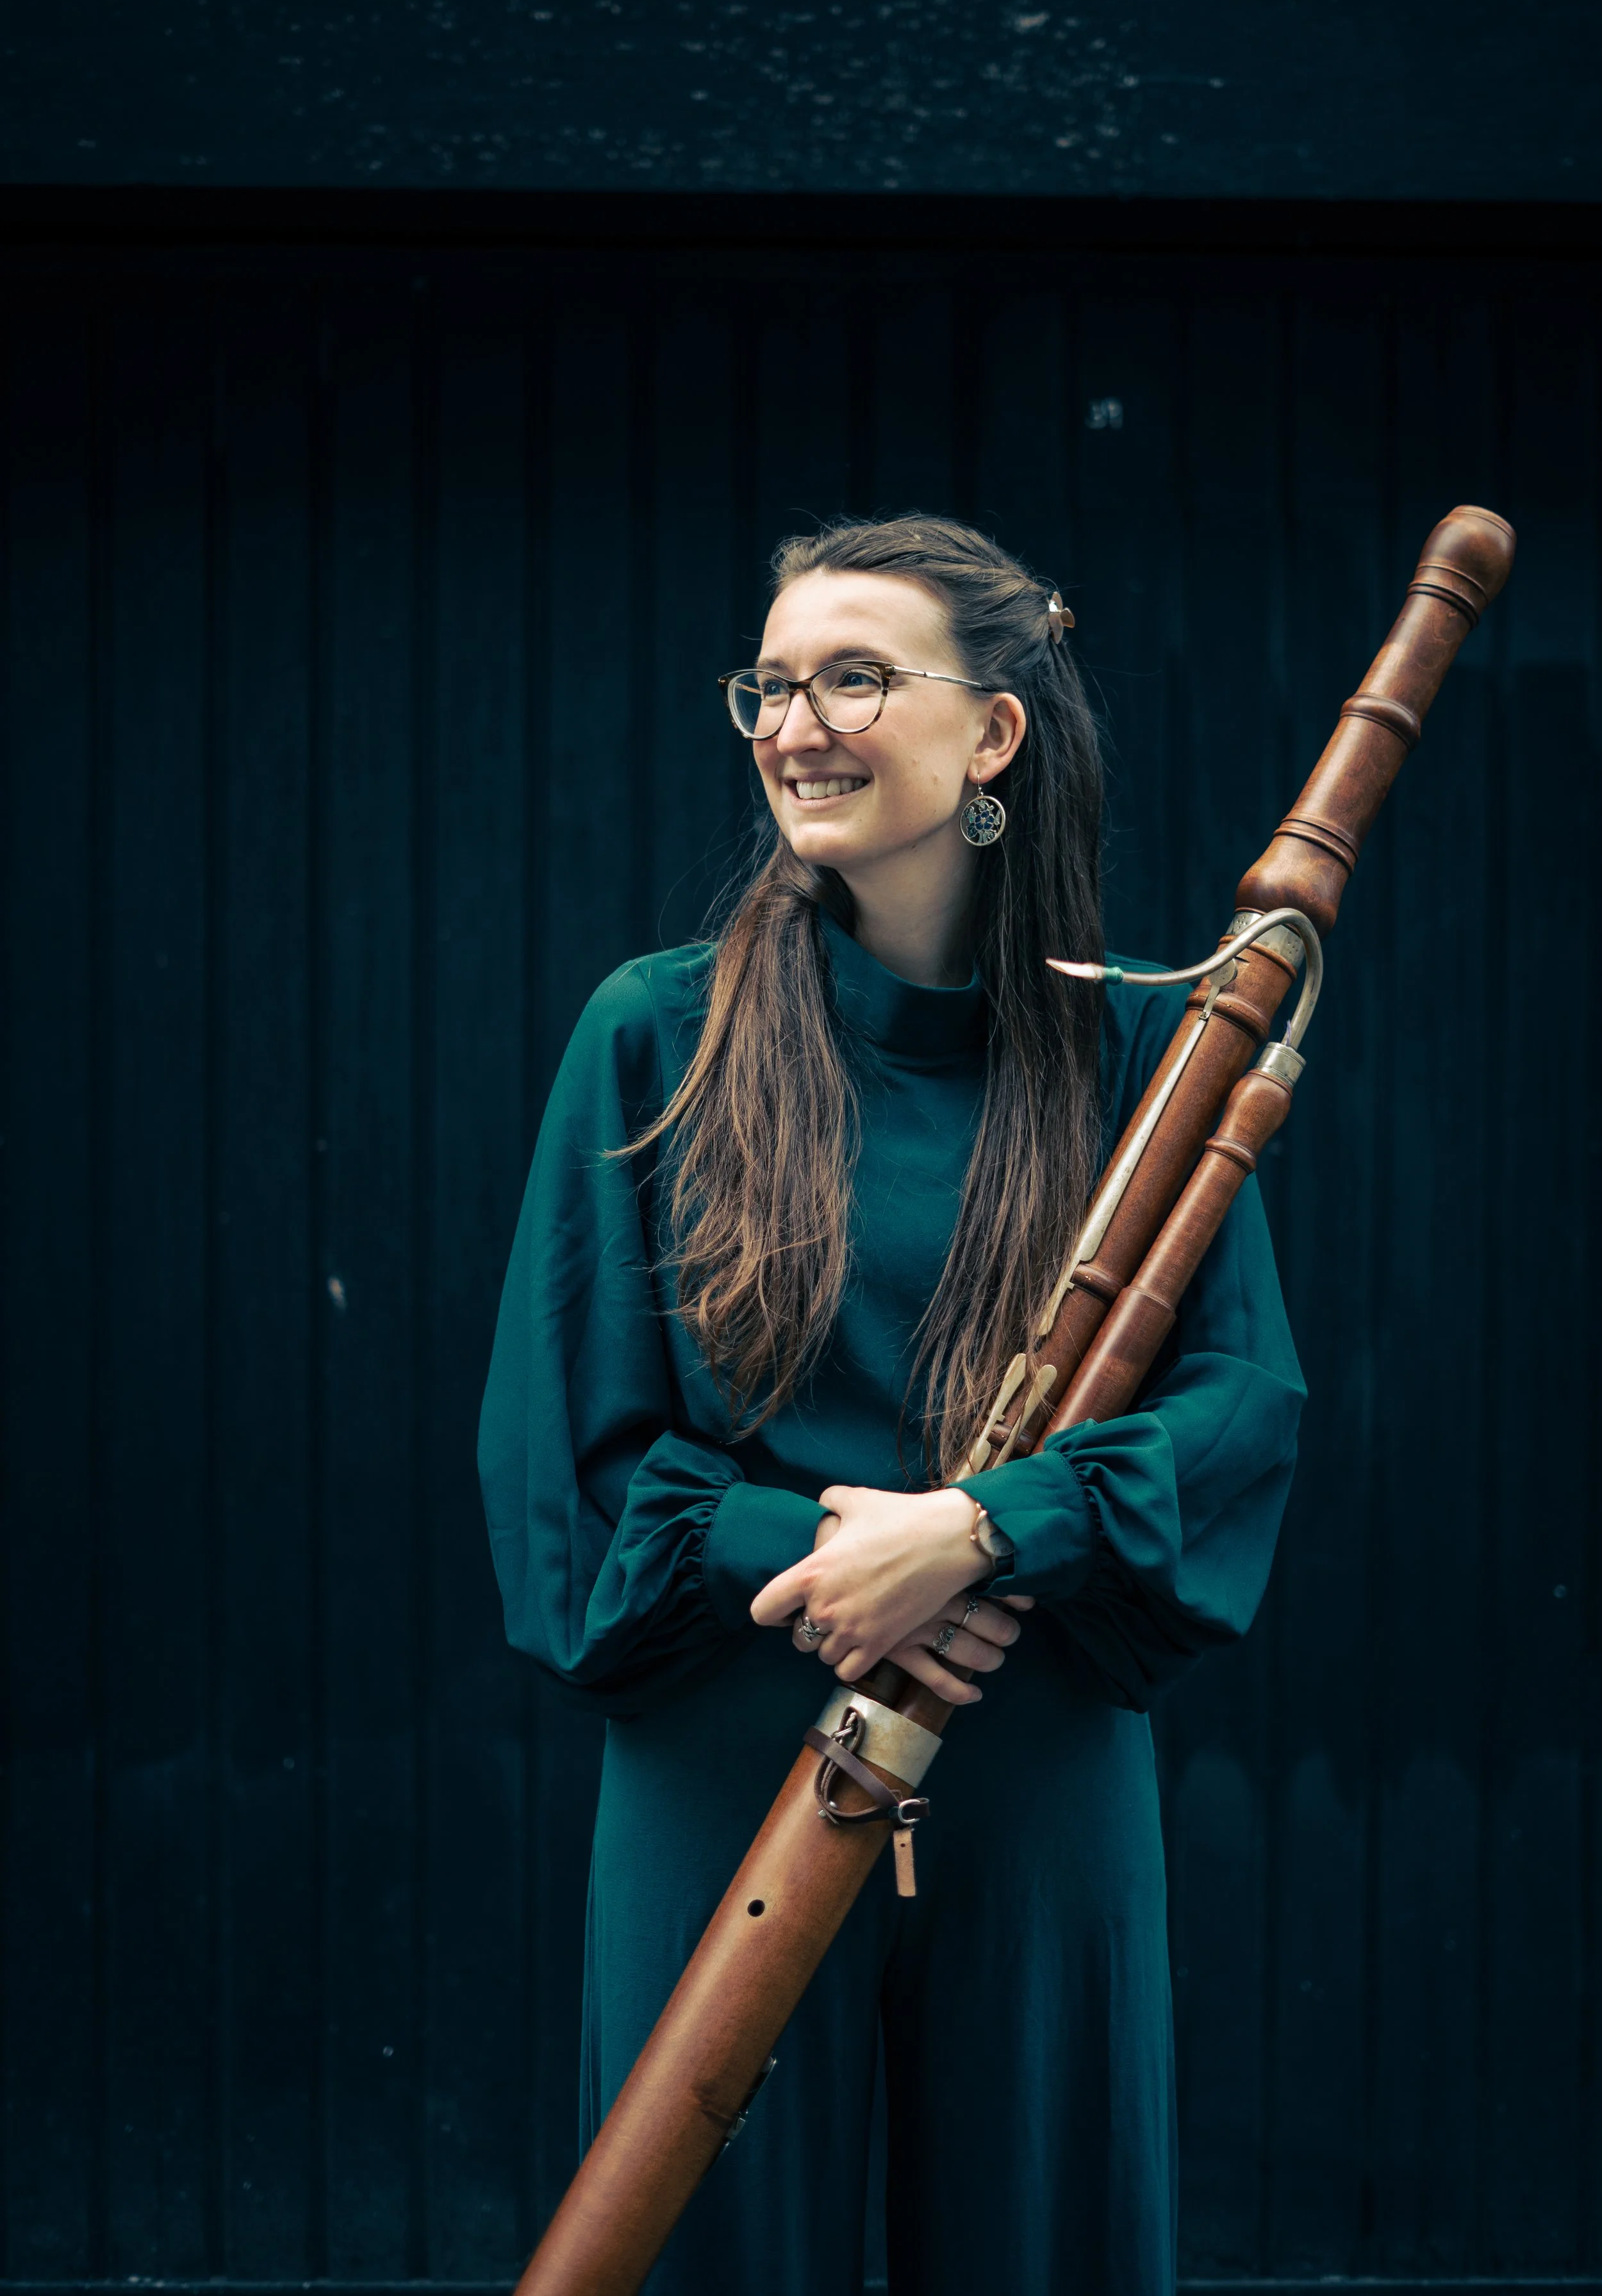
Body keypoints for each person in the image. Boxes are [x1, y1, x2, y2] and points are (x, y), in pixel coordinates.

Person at [478, 516, 1305, 2296]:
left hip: (1033, 1754)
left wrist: (986, 1529)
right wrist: (829, 1556)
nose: (794, 726)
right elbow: (561, 1463)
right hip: (727, 1757)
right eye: (769, 686)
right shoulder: (659, 1034)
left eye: (853, 678)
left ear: (994, 731)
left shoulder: (1140, 1061)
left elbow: (1241, 1409)